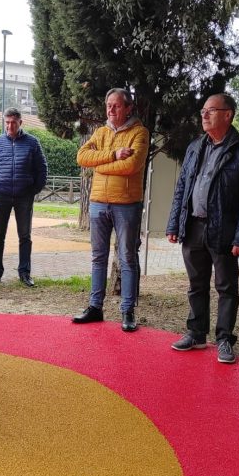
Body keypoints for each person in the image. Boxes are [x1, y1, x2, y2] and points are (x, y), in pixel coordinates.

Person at [166, 93, 239, 363]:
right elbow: (182, 188)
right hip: (193, 225)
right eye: (203, 111)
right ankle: (196, 334)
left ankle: (224, 339)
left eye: (211, 110)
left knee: (226, 287)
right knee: (196, 284)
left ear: (228, 114)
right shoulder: (195, 146)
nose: (204, 115)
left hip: (225, 229)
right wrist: (174, 222)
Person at [72, 88, 149, 332]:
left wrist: (101, 164)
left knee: (127, 256)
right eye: (108, 105)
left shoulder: (140, 133)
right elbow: (82, 157)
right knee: (98, 256)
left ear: (128, 108)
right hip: (98, 202)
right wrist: (113, 155)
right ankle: (95, 307)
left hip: (126, 204)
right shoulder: (101, 132)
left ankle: (128, 311)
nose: (110, 110)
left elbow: (132, 166)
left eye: (116, 105)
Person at [0, 107, 48, 287]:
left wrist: (34, 190)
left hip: (24, 196)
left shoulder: (32, 143)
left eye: (13, 122)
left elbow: (42, 169)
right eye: (7, 122)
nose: (10, 126)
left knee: (25, 236)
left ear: (20, 123)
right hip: (0, 195)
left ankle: (25, 273)